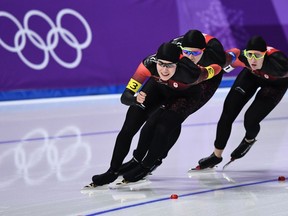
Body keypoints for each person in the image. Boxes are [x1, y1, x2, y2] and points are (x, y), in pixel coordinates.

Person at [86, 42, 221, 188]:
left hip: (184, 96)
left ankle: (145, 167)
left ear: (178, 64)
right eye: (161, 64)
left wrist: (224, 61)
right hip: (159, 88)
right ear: (155, 61)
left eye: (169, 65)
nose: (164, 70)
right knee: (128, 127)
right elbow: (125, 97)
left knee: (163, 127)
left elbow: (217, 68)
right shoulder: (147, 65)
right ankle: (112, 171)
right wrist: (134, 98)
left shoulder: (190, 72)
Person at [121, 30, 227, 183]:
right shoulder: (175, 48)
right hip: (178, 76)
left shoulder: (215, 56)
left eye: (195, 53)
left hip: (204, 83)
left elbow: (234, 56)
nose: (190, 57)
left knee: (172, 117)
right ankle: (136, 160)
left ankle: (154, 161)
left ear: (203, 51)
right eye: (186, 52)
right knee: (152, 120)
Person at [195, 35, 288, 170]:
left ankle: (249, 140)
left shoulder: (280, 65)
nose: (252, 59)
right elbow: (223, 65)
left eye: (257, 56)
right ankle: (216, 155)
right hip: (251, 77)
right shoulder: (244, 59)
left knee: (250, 119)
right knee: (228, 112)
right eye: (249, 55)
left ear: (265, 55)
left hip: (275, 85)